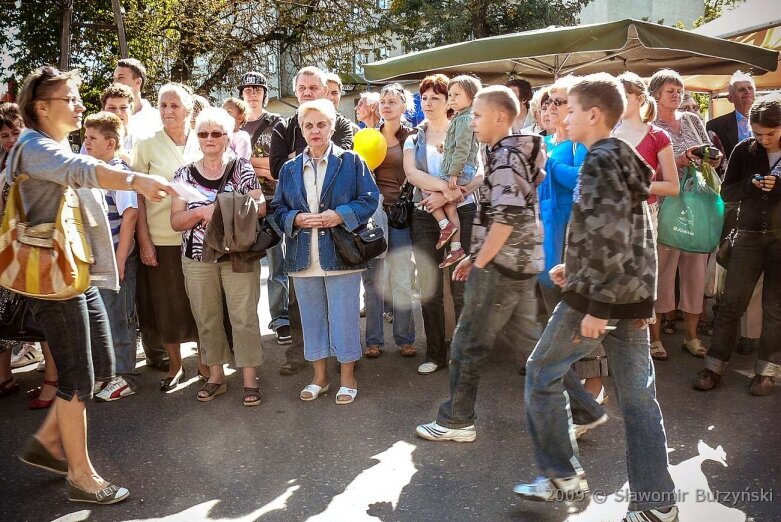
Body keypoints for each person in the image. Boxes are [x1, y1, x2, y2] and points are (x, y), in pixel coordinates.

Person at [515, 73, 679, 522]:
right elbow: (632, 234)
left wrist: (596, 307)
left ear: (592, 114)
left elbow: (615, 235)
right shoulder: (620, 157)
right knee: (638, 400)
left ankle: (560, 477)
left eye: (569, 109)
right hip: (623, 295)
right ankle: (657, 505)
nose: (563, 117)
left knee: (541, 371)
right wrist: (581, 268)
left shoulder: (602, 161)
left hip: (600, 298)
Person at [12, 65, 175, 505]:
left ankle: (50, 445)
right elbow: (80, 169)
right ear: (42, 107)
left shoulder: (52, 142)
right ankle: (81, 478)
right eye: (71, 98)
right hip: (53, 281)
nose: (81, 105)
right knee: (79, 380)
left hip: (75, 272)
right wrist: (135, 178)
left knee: (104, 365)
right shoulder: (35, 148)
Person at [415, 86, 547, 442]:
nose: (470, 123)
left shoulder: (505, 158)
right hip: (516, 263)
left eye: (476, 116)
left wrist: (476, 260)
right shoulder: (508, 151)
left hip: (500, 267)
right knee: (532, 345)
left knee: (466, 344)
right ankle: (583, 410)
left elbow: (504, 220)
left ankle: (457, 421)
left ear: (500, 118)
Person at [271, 99, 379, 404]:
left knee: (344, 317)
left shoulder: (351, 161)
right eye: (308, 125)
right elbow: (277, 209)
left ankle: (348, 376)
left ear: (332, 126)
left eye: (321, 124)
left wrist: (340, 214)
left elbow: (370, 198)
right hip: (303, 255)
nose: (315, 130)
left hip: (341, 253)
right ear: (301, 129)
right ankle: (319, 377)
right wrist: (295, 219)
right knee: (312, 318)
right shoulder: (290, 169)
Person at [171, 107, 265, 406]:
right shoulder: (182, 174)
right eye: (202, 133)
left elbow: (260, 206)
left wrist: (221, 207)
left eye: (216, 133)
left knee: (244, 318)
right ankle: (215, 376)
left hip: (238, 254)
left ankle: (250, 379)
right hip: (197, 257)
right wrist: (200, 211)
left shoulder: (242, 168)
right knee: (207, 318)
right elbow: (176, 222)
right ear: (196, 138)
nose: (209, 138)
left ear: (227, 137)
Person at [694, 93, 781, 396]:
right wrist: (750, 184)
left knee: (774, 308)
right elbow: (726, 194)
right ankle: (714, 365)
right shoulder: (745, 149)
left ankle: (767, 373)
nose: (764, 139)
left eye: (771, 133)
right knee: (731, 304)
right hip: (748, 235)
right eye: (758, 133)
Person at [270, 66, 354, 376]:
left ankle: (344, 367)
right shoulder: (283, 128)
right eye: (302, 88)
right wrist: (295, 217)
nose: (307, 92)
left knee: (341, 307)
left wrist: (339, 214)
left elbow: (346, 169)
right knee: (304, 304)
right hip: (302, 238)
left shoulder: (345, 134)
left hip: (339, 237)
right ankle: (306, 362)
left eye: (313, 87)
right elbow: (279, 170)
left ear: (324, 90)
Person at [402, 74, 481, 375]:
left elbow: (479, 174)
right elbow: (412, 174)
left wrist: (452, 194)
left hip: (463, 212)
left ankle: (463, 356)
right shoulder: (414, 138)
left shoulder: (465, 129)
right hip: (425, 216)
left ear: (449, 100)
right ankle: (435, 353)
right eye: (424, 97)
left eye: (436, 96)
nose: (429, 102)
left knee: (461, 287)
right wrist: (441, 192)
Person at [132, 82, 202, 390]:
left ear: (188, 109)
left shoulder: (203, 139)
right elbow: (136, 198)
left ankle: (205, 365)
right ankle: (175, 367)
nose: (168, 110)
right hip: (162, 240)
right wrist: (144, 238)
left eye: (174, 105)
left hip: (201, 239)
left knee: (201, 305)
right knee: (166, 306)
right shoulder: (146, 144)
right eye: (162, 105)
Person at [650, 69, 722, 358]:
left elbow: (712, 154)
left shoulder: (692, 119)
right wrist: (680, 159)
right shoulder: (650, 124)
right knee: (662, 274)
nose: (678, 95)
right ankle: (655, 339)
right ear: (655, 94)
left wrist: (710, 158)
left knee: (694, 272)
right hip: (667, 205)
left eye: (680, 90)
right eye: (671, 91)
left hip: (698, 203)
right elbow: (647, 166)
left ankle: (691, 337)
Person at [614, 72, 680, 361]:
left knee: (640, 283)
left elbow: (673, 187)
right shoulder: (608, 133)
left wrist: (637, 185)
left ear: (639, 98)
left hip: (644, 215)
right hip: (612, 217)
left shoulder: (657, 136)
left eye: (624, 94)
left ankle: (645, 346)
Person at [83, 112, 140, 402]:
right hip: (98, 260)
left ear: (111, 143)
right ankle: (107, 374)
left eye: (92, 138)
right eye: (86, 136)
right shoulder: (94, 170)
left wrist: (119, 259)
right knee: (102, 318)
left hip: (116, 259)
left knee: (119, 318)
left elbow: (130, 215)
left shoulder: (117, 172)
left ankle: (125, 376)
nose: (86, 142)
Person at [363, 84, 417, 358]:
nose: (386, 105)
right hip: (373, 217)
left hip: (400, 217)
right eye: (383, 100)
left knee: (401, 278)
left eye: (393, 101)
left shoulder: (413, 137)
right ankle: (373, 340)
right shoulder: (368, 137)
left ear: (404, 106)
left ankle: (405, 337)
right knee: (373, 280)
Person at [237, 71, 289, 345]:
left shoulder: (277, 123)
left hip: (273, 202)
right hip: (242, 206)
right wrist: (261, 166)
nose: (253, 93)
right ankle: (246, 327)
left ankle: (280, 319)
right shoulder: (235, 125)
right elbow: (233, 163)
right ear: (242, 93)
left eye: (257, 88)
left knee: (278, 265)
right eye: (248, 89)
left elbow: (279, 167)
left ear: (264, 93)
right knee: (244, 268)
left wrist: (249, 164)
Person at [434, 75, 481, 268]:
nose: (451, 99)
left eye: (457, 95)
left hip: (460, 171)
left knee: (429, 194)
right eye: (450, 94)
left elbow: (463, 148)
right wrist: (445, 148)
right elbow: (459, 146)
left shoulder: (465, 119)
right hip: (461, 168)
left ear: (472, 97)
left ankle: (446, 227)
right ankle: (455, 248)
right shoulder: (461, 117)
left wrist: (454, 173)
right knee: (450, 206)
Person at [706, 71, 756, 161]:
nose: (747, 91)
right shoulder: (715, 126)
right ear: (730, 98)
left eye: (750, 88)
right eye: (741, 89)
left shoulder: (769, 120)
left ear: (754, 95)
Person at [113, 58, 160, 146]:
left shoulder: (157, 119)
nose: (115, 82)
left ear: (138, 82)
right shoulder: (107, 116)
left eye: (120, 77)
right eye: (114, 78)